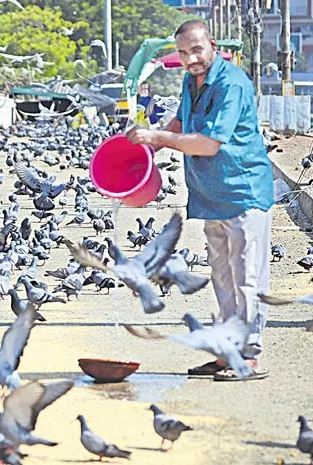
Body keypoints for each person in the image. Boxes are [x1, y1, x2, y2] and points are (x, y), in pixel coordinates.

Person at [126, 20, 273, 382]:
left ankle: (249, 356)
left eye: (197, 49)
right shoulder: (191, 81)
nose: (191, 58)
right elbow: (182, 122)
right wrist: (150, 143)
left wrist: (156, 135)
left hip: (243, 194)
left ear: (212, 44)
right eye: (184, 52)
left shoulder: (232, 83)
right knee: (222, 278)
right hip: (211, 197)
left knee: (246, 279)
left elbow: (208, 143)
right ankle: (227, 352)